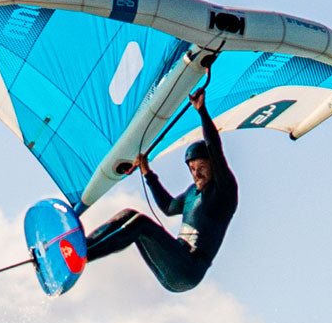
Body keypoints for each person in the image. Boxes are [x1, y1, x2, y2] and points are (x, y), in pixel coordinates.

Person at [83, 88, 238, 292]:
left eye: (201, 168)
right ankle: (81, 247)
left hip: (189, 268)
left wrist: (202, 111)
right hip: (172, 268)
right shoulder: (192, 193)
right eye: (192, 169)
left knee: (140, 224)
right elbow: (167, 207)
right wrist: (148, 174)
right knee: (130, 216)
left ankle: (82, 257)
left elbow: (214, 147)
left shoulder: (224, 191)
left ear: (212, 166)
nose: (196, 174)